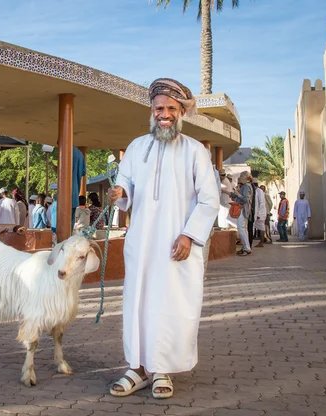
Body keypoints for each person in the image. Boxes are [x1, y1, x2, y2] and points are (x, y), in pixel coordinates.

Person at [107, 78, 219, 399]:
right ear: (151, 110)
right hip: (141, 244)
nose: (164, 114)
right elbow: (125, 185)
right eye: (159, 108)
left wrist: (189, 234)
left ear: (181, 112)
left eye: (171, 108)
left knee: (169, 306)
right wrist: (120, 193)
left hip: (177, 247)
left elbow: (209, 199)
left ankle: (163, 370)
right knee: (138, 304)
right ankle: (138, 368)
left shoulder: (195, 152)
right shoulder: (136, 148)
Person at [230, 174, 253, 256]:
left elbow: (245, 199)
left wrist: (237, 194)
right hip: (243, 210)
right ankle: (245, 247)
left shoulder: (246, 186)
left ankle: (247, 248)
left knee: (241, 228)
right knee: (243, 229)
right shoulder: (246, 186)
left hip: (242, 209)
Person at [253, 179, 267, 248]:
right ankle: (261, 242)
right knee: (259, 227)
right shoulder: (256, 191)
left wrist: (258, 214)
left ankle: (261, 242)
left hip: (260, 213)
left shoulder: (259, 191)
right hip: (258, 212)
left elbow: (261, 203)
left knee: (261, 227)